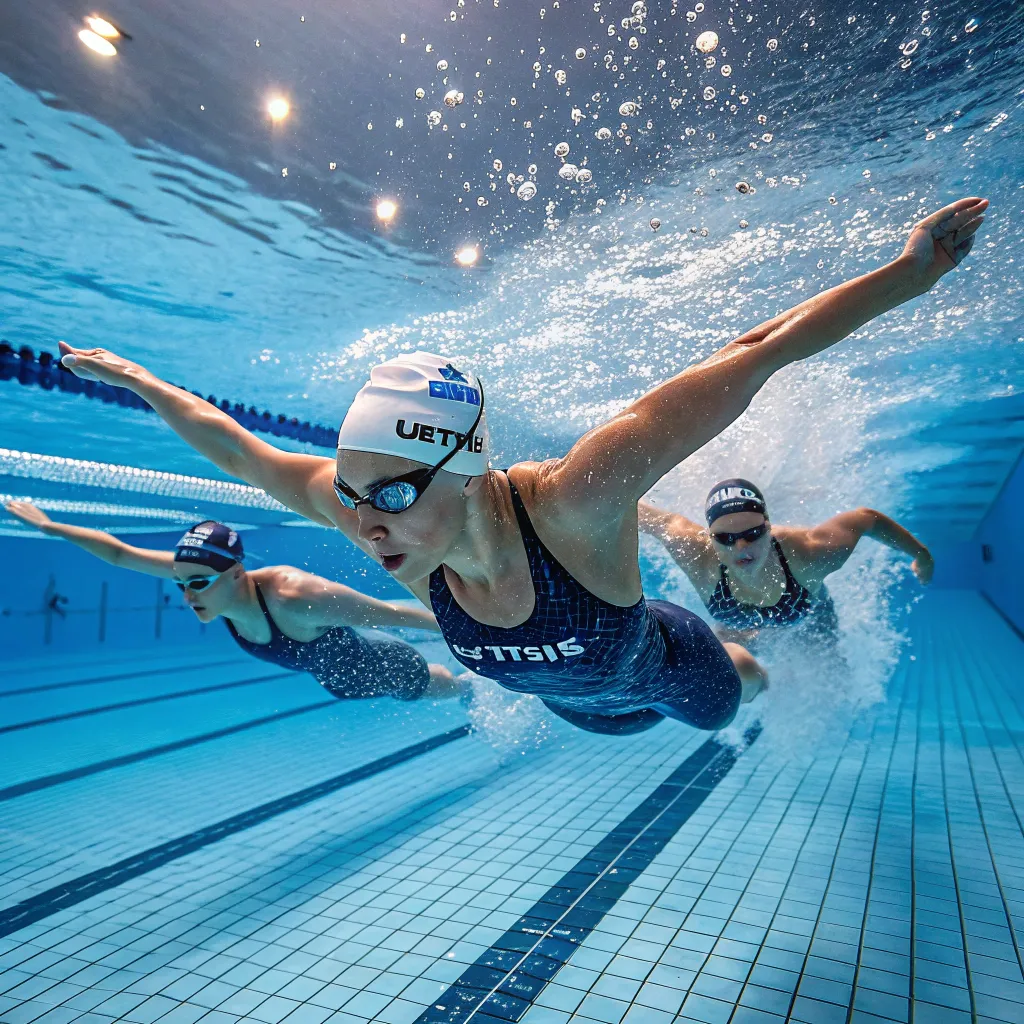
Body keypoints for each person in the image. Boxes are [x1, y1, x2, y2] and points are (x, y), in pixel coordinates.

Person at [56, 197, 987, 736]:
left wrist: (911, 275)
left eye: (385, 494)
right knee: (598, 712)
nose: (363, 524)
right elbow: (241, 449)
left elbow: (751, 357)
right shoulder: (376, 514)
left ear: (465, 469)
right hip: (576, 706)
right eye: (350, 496)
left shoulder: (578, 501)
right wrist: (138, 378)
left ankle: (750, 659)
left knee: (733, 689)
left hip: (667, 674)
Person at [5, 501, 460, 701]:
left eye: (197, 583)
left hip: (375, 663)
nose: (187, 593)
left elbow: (397, 612)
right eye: (180, 582)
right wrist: (51, 528)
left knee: (439, 689)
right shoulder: (205, 575)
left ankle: (471, 686)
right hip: (333, 676)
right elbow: (121, 553)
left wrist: (482, 633)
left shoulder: (295, 596)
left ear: (237, 573)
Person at [640, 479, 933, 641]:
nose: (741, 545)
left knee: (828, 661)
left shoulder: (810, 553)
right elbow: (635, 511)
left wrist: (922, 555)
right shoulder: (694, 551)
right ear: (710, 536)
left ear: (769, 528)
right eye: (726, 538)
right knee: (733, 665)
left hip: (812, 616)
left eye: (753, 533)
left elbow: (866, 519)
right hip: (740, 628)